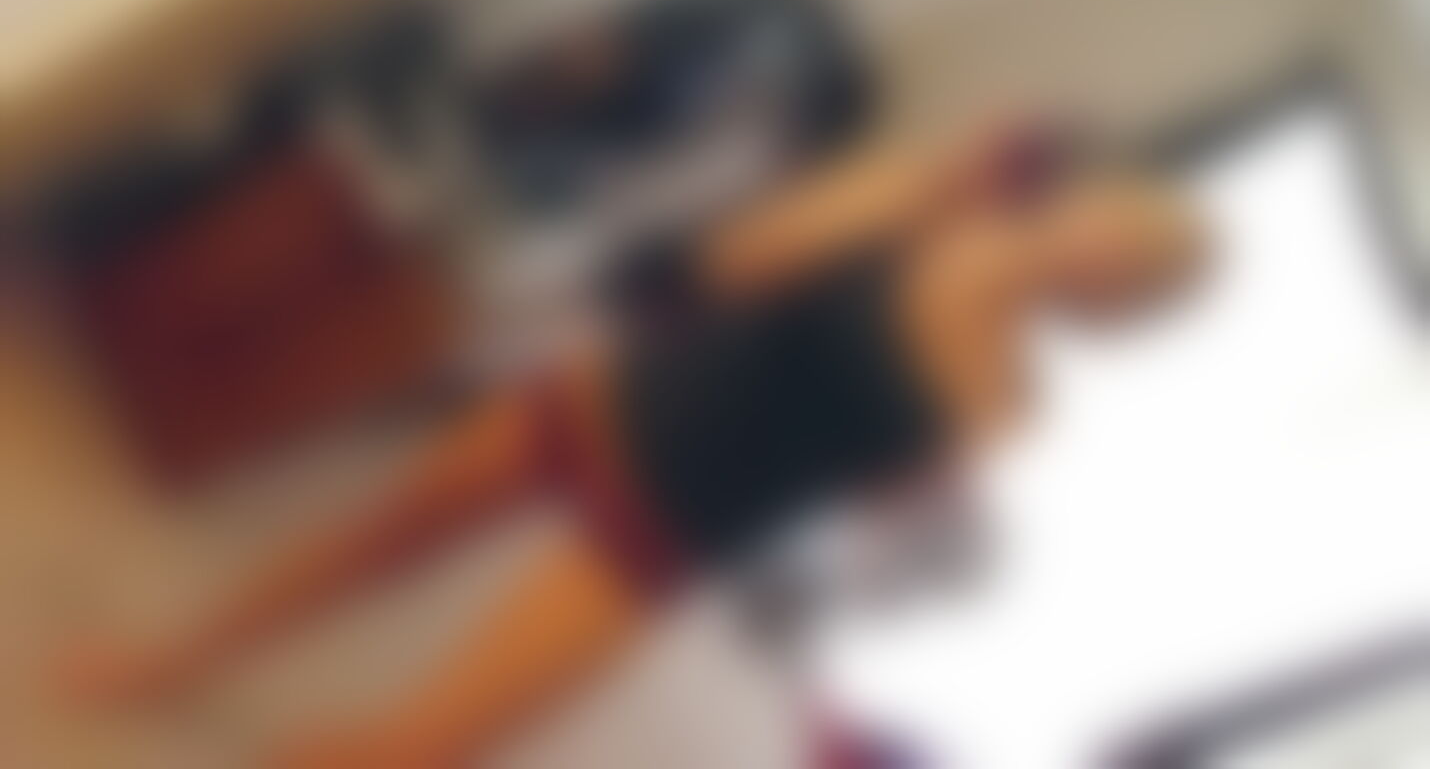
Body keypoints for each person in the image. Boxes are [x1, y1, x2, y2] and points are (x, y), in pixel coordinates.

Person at [63, 117, 1206, 767]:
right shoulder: (923, 205)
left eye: (1126, 265)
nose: (1096, 248)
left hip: (672, 529)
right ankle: (165, 664)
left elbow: (874, 526)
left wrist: (935, 441)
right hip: (606, 400)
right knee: (374, 542)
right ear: (1084, 198)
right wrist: (922, 185)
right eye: (1111, 221)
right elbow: (735, 262)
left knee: (430, 746)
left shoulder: (1009, 407)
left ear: (1115, 306)